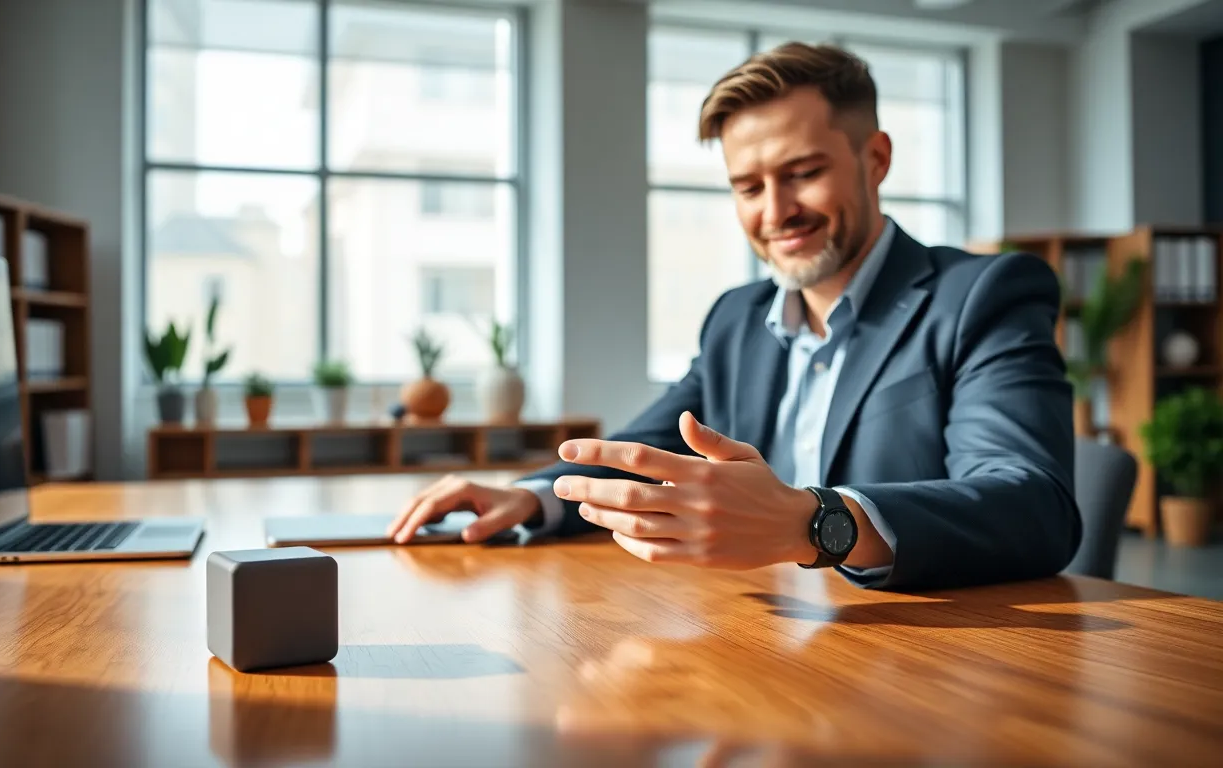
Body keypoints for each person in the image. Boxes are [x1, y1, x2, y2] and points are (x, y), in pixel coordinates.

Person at [387, 41, 1081, 591]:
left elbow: (1030, 505)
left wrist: (817, 523)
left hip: (934, 662)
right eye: (748, 186)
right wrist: (530, 497)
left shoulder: (982, 294)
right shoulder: (738, 319)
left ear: (875, 159)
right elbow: (647, 454)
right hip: (763, 644)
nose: (774, 211)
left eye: (802, 172)